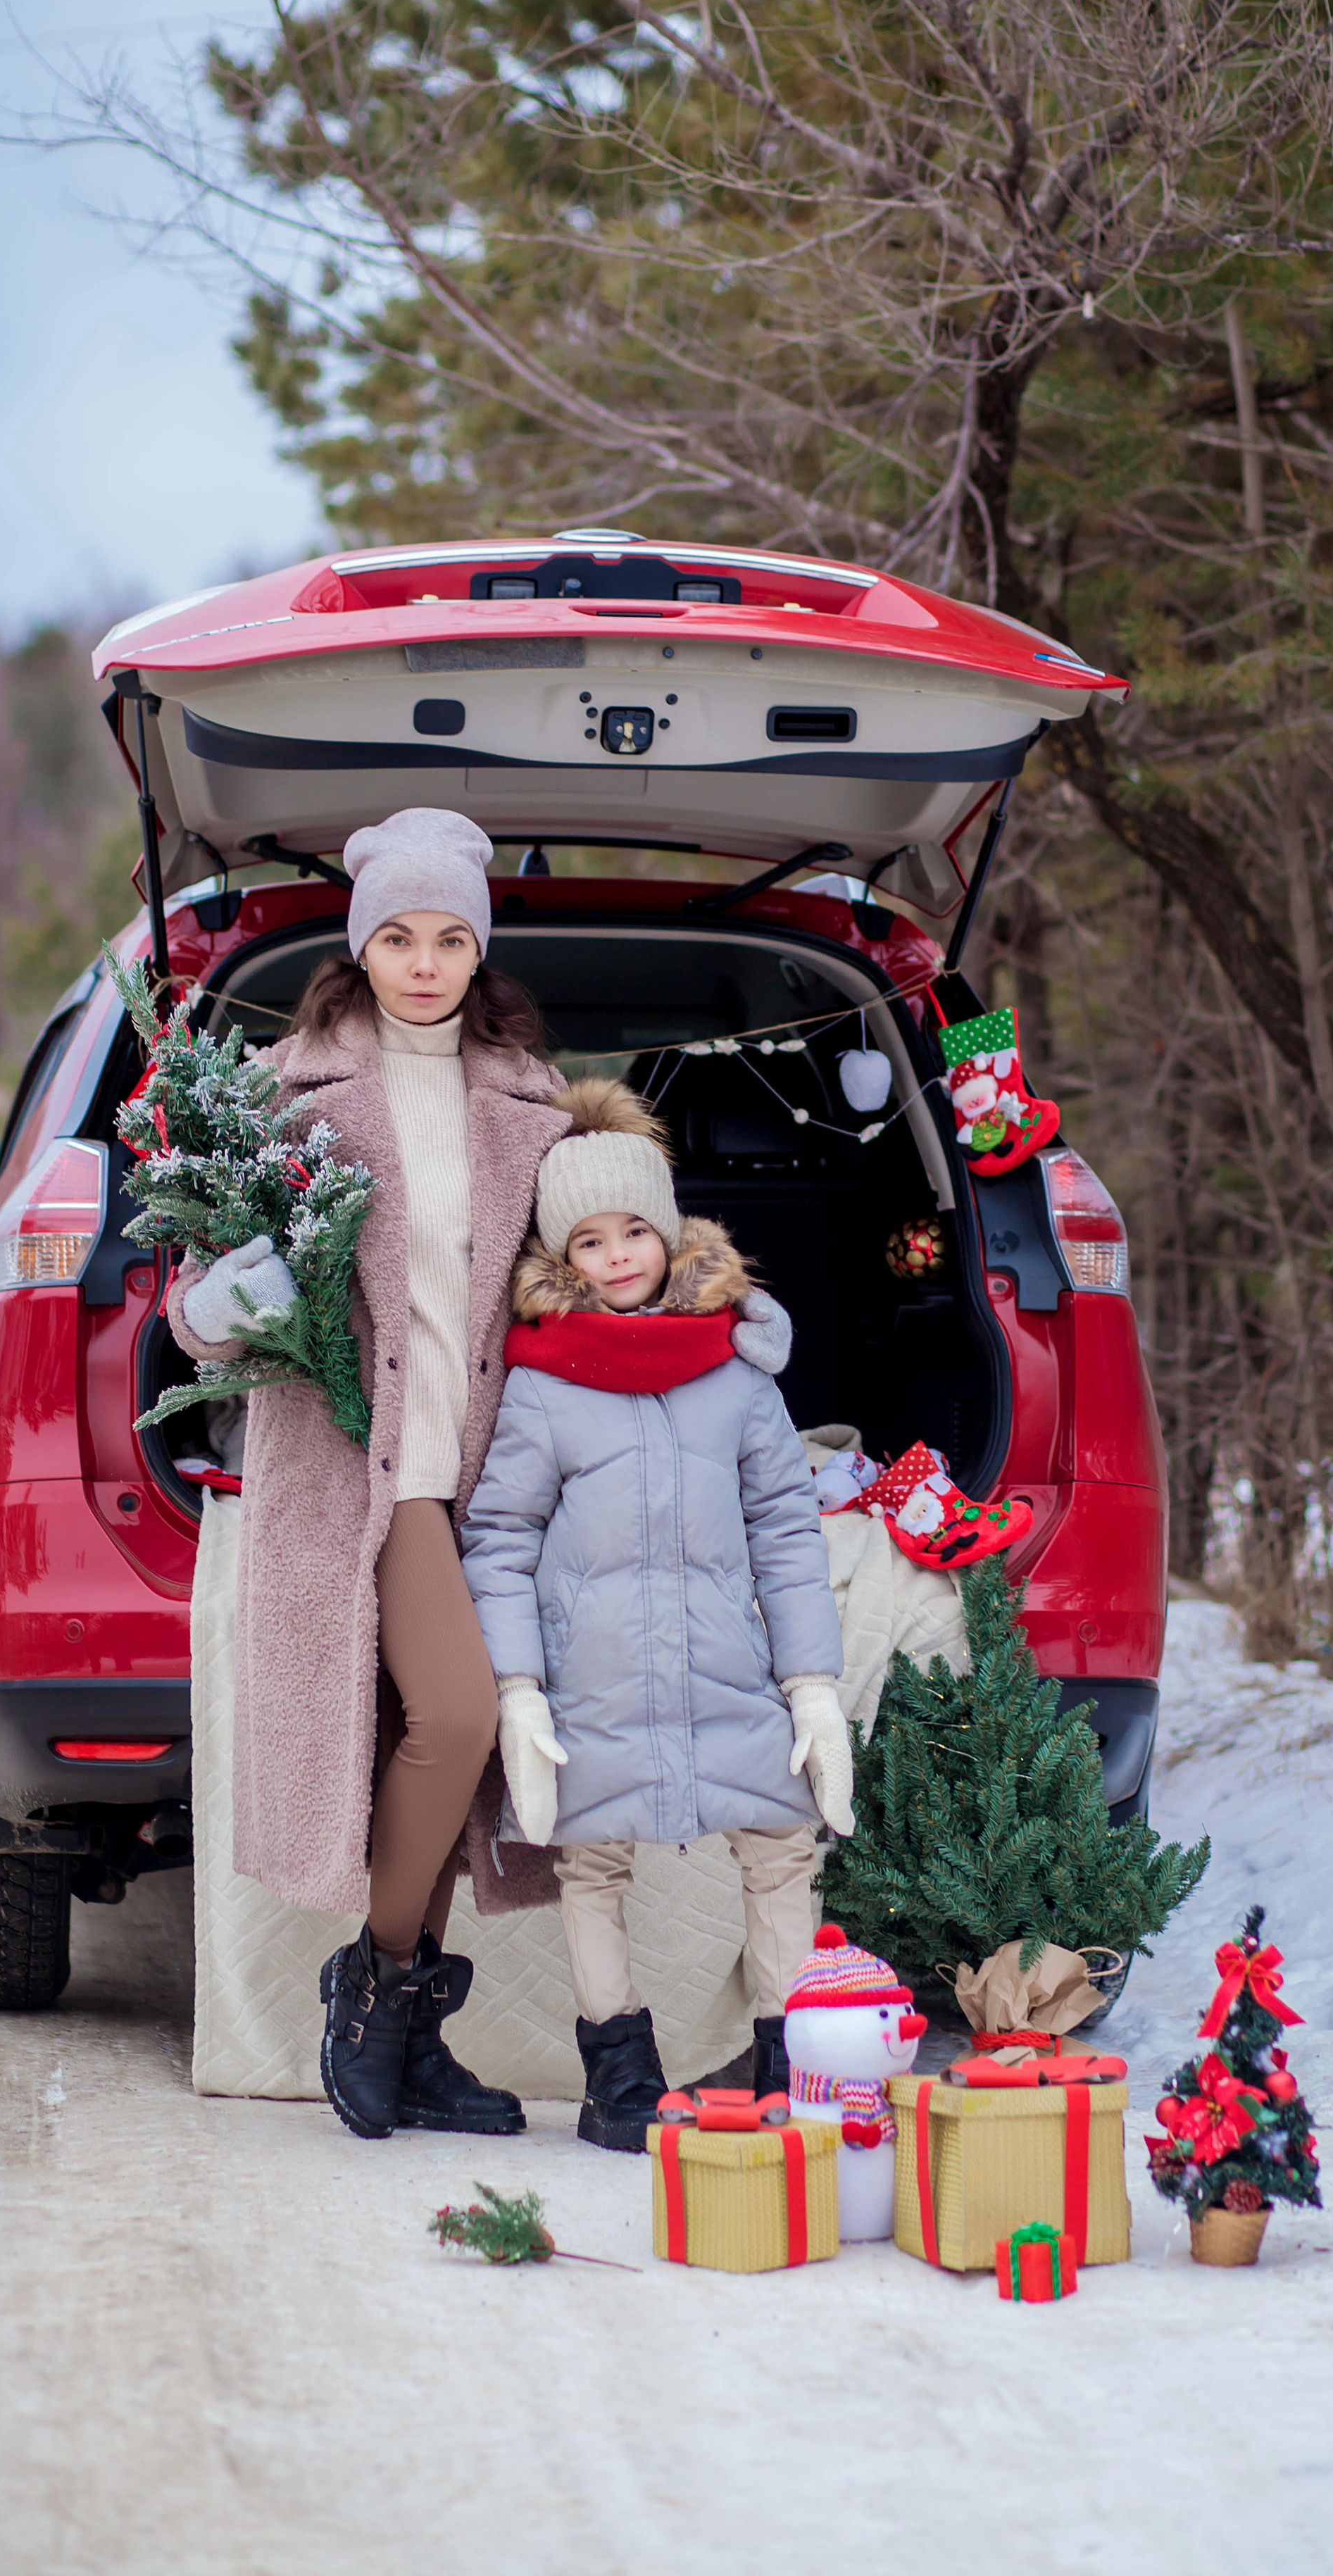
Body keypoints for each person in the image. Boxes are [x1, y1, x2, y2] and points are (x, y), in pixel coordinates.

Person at [168, 806, 570, 2141]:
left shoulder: (532, 1102)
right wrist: (227, 1299)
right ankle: (373, 1988)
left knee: (431, 1744)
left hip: (489, 1467)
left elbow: (582, 1268)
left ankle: (408, 2037)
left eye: (452, 938)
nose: (426, 964)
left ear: (480, 949)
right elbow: (194, 1309)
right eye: (399, 937)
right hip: (361, 1464)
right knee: (457, 1716)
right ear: (359, 945)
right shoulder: (283, 1092)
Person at [461, 1079, 855, 2151]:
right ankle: (619, 2076)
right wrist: (519, 1689)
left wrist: (811, 1686)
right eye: (589, 1241)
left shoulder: (736, 1369)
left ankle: (793, 2060)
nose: (619, 1255)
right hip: (595, 1680)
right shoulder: (542, 1385)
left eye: (635, 1229)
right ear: (562, 1260)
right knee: (592, 1864)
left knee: (781, 1846)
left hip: (729, 1669)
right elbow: (498, 1538)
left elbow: (785, 1528)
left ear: (672, 1232)